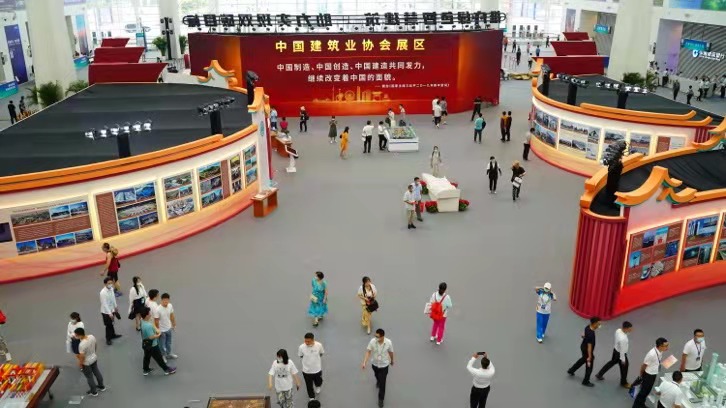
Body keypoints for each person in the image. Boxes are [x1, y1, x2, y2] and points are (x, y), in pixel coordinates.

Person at [361, 328, 394, 408]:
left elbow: (391, 352)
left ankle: (381, 399)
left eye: (378, 337)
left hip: (384, 365)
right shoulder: (372, 341)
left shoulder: (388, 342)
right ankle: (378, 380)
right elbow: (368, 351)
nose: (376, 338)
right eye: (375, 336)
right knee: (377, 376)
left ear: (382, 337)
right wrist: (364, 362)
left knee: (383, 383)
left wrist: (392, 360)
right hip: (375, 364)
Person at [633, 337, 669, 408]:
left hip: (653, 374)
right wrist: (641, 375)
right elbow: (644, 365)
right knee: (643, 392)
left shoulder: (660, 351)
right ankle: (636, 406)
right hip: (648, 375)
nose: (667, 348)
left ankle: (641, 404)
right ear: (660, 346)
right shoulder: (651, 354)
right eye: (666, 346)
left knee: (647, 391)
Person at [595, 321, 633, 388]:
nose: (631, 330)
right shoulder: (623, 339)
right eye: (630, 329)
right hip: (621, 354)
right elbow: (622, 351)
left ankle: (599, 374)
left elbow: (623, 335)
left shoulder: (618, 330)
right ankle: (624, 383)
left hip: (615, 351)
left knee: (611, 362)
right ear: (625, 328)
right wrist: (623, 360)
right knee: (625, 368)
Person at [140, 307, 176, 376]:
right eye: (149, 313)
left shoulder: (142, 321)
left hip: (145, 344)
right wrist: (159, 334)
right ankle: (167, 370)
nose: (150, 314)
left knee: (146, 357)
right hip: (153, 345)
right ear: (147, 315)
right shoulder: (148, 326)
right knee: (159, 358)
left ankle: (146, 369)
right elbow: (151, 337)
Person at [567, 316, 601, 387]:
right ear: (594, 323)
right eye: (598, 324)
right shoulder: (591, 334)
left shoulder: (587, 327)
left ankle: (571, 370)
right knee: (589, 366)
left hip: (583, 347)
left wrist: (584, 336)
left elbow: (584, 334)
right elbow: (589, 346)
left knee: (583, 360)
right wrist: (590, 356)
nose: (599, 325)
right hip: (587, 350)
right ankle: (586, 381)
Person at [74, 327, 106, 397]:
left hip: (87, 363)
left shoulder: (81, 345)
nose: (75, 337)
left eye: (76, 335)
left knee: (89, 377)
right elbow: (96, 345)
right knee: (97, 372)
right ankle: (101, 386)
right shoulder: (91, 336)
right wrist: (93, 353)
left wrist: (80, 364)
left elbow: (82, 357)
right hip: (94, 358)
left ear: (79, 335)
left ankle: (94, 391)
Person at [298, 332, 325, 401]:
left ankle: (318, 386)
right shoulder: (301, 347)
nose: (306, 343)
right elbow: (301, 355)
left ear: (313, 340)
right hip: (306, 371)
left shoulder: (319, 345)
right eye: (305, 341)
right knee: (308, 385)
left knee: (318, 381)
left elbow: (321, 353)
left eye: (308, 341)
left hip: (317, 369)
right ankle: (311, 396)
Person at [99, 277, 121, 346]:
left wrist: (115, 306)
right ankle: (108, 338)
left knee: (112, 323)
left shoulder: (111, 289)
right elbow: (104, 304)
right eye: (109, 283)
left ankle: (113, 335)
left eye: (111, 283)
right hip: (106, 312)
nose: (110, 284)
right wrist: (109, 313)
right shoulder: (102, 293)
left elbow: (113, 298)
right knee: (108, 325)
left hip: (112, 309)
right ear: (105, 284)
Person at [157, 293, 177, 359]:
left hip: (168, 328)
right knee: (162, 344)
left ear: (169, 300)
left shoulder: (170, 306)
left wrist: (174, 324)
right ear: (161, 300)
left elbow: (171, 315)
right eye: (164, 300)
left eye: (167, 300)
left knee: (169, 343)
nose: (166, 301)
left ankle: (169, 353)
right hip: (162, 330)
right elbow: (156, 321)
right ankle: (163, 355)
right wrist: (157, 330)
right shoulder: (158, 309)